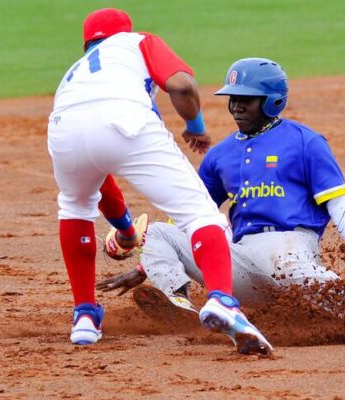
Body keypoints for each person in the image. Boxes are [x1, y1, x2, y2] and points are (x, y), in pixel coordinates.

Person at [48, 8, 272, 355]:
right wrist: (195, 125)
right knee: (199, 214)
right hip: (125, 120)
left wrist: (125, 231)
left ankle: (85, 318)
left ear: (88, 43)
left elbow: (102, 176)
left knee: (75, 207)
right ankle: (222, 301)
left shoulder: (75, 76)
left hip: (62, 129)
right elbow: (181, 85)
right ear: (123, 32)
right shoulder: (137, 42)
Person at [98, 58, 345, 317]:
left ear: (272, 101)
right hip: (241, 262)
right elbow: (190, 214)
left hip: (289, 254)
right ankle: (179, 303)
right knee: (159, 233)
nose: (236, 106)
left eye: (246, 99)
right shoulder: (219, 155)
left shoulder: (304, 141)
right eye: (233, 98)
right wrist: (146, 266)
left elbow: (336, 195)